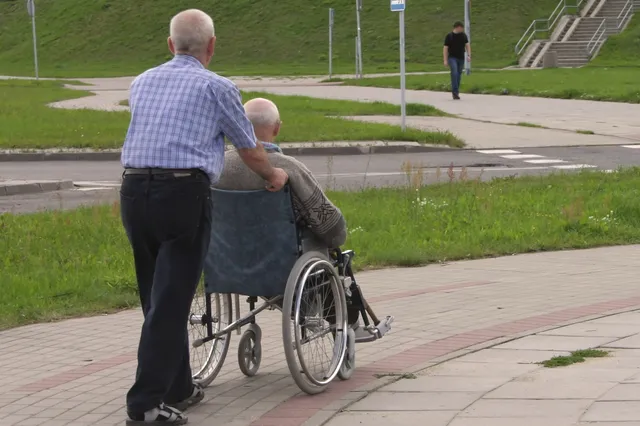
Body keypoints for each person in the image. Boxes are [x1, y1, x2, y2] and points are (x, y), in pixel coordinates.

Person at [119, 9, 288, 425]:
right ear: (211, 46)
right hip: (181, 195)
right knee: (172, 300)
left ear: (170, 44)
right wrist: (274, 174)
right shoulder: (218, 87)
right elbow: (249, 149)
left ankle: (177, 387)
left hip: (133, 192)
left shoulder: (142, 81)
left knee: (156, 297)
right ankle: (145, 405)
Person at [215, 97, 347, 253]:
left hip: (226, 257)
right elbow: (332, 229)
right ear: (277, 128)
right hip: (282, 258)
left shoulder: (218, 165)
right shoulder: (290, 169)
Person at [443, 21, 471, 100]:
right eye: (461, 28)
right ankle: (455, 92)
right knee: (454, 73)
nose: (462, 30)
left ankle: (456, 91)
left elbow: (467, 45)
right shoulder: (449, 36)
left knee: (458, 74)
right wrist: (445, 60)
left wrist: (469, 55)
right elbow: (445, 48)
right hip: (452, 58)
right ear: (458, 27)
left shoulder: (463, 35)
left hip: (461, 58)